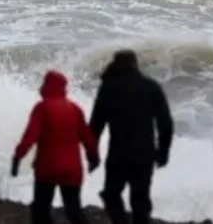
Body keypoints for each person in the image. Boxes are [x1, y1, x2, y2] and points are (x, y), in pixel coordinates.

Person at [88, 49, 174, 224]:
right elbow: (166, 124)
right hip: (145, 153)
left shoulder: (109, 87)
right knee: (140, 199)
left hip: (118, 153)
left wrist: (92, 155)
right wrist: (163, 152)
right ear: (135, 65)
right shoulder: (151, 86)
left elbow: (96, 125)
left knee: (111, 194)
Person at [11, 69, 100, 224]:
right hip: (72, 170)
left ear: (47, 86)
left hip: (47, 167)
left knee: (41, 209)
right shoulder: (74, 108)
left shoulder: (42, 107)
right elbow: (88, 138)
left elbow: (30, 136)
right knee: (74, 211)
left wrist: (17, 158)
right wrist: (93, 158)